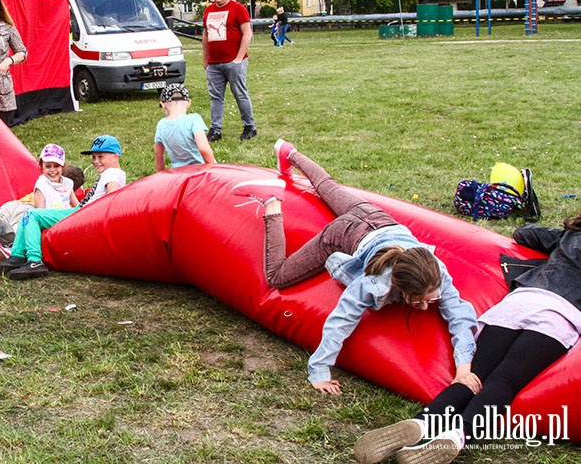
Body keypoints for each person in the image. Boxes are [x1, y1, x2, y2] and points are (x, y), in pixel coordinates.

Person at [232, 139, 477, 395]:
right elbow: (341, 320)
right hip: (344, 233)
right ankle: (272, 202)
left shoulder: (434, 272)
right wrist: (319, 371)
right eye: (419, 301)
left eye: (429, 300)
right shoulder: (374, 282)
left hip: (378, 219)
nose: (426, 307)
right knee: (277, 275)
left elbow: (460, 316)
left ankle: (288, 152)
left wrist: (463, 369)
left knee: (327, 187)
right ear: (399, 287)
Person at [352, 215, 581, 464]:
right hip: (559, 315)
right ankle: (457, 436)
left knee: (475, 375)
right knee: (504, 382)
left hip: (520, 303)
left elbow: (524, 233)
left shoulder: (569, 236)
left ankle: (421, 423)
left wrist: (563, 233)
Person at [0, 135, 127, 281]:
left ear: (115, 157)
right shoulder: (118, 173)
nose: (95, 161)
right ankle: (17, 256)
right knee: (29, 215)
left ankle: (33, 260)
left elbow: (113, 197)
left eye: (100, 157)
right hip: (83, 212)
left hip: (84, 215)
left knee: (31, 215)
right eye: (94, 157)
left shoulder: (110, 173)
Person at [0, 146, 83, 270]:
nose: (52, 170)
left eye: (56, 166)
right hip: (26, 210)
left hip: (11, 205)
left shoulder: (53, 184)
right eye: (49, 166)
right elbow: (40, 213)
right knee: (17, 234)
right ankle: (7, 243)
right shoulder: (46, 186)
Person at [202, 0, 257, 142]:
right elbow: (205, 35)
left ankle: (249, 126)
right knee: (215, 96)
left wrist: (239, 58)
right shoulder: (208, 11)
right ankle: (216, 130)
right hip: (214, 63)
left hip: (234, 62)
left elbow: (247, 33)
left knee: (240, 94)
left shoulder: (238, 8)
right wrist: (205, 58)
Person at [154, 83, 215, 171]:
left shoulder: (161, 125)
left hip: (178, 173)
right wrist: (213, 168)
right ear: (188, 103)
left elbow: (158, 154)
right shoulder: (194, 120)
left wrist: (161, 174)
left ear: (163, 105)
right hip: (200, 171)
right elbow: (204, 149)